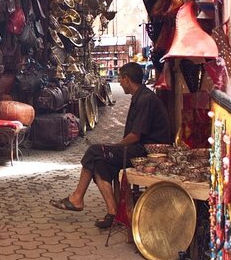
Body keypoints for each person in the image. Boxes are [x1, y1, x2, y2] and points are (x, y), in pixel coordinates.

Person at [50, 62, 172, 229]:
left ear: (127, 79)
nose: (120, 83)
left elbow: (136, 135)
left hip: (148, 152)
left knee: (94, 150)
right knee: (99, 162)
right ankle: (112, 212)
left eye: (121, 79)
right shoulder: (140, 96)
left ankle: (77, 198)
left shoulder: (145, 99)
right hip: (140, 147)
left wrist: (116, 146)